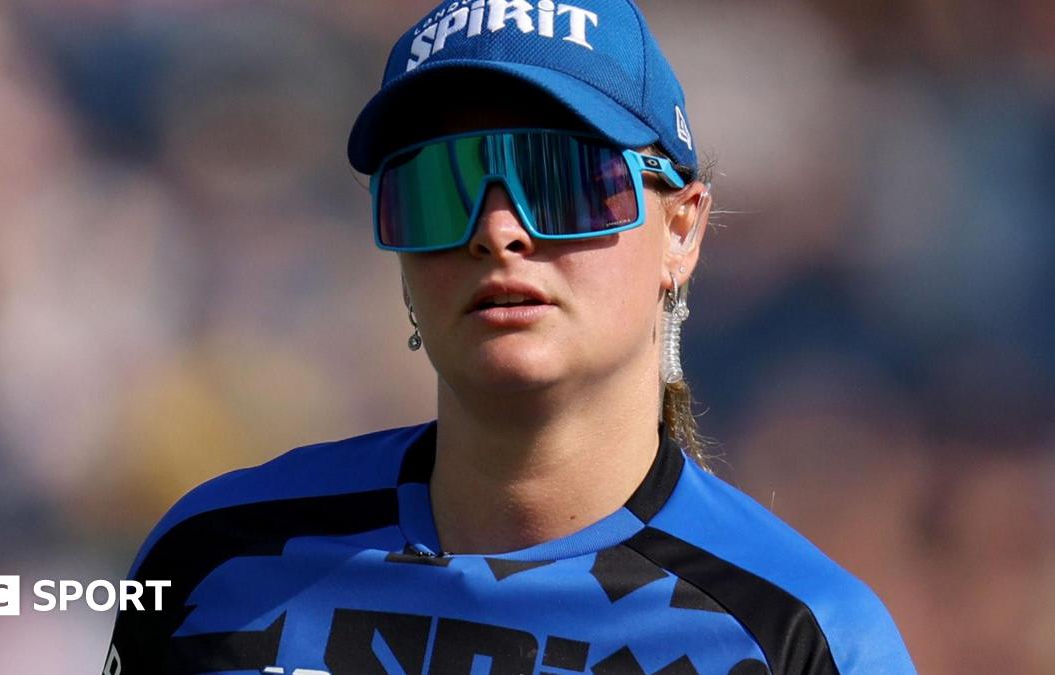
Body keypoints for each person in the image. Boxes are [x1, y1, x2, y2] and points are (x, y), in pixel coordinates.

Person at [103, 1, 916, 673]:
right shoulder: (213, 562)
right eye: (434, 187)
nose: (497, 230)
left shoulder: (804, 637)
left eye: (563, 179)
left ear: (682, 229)